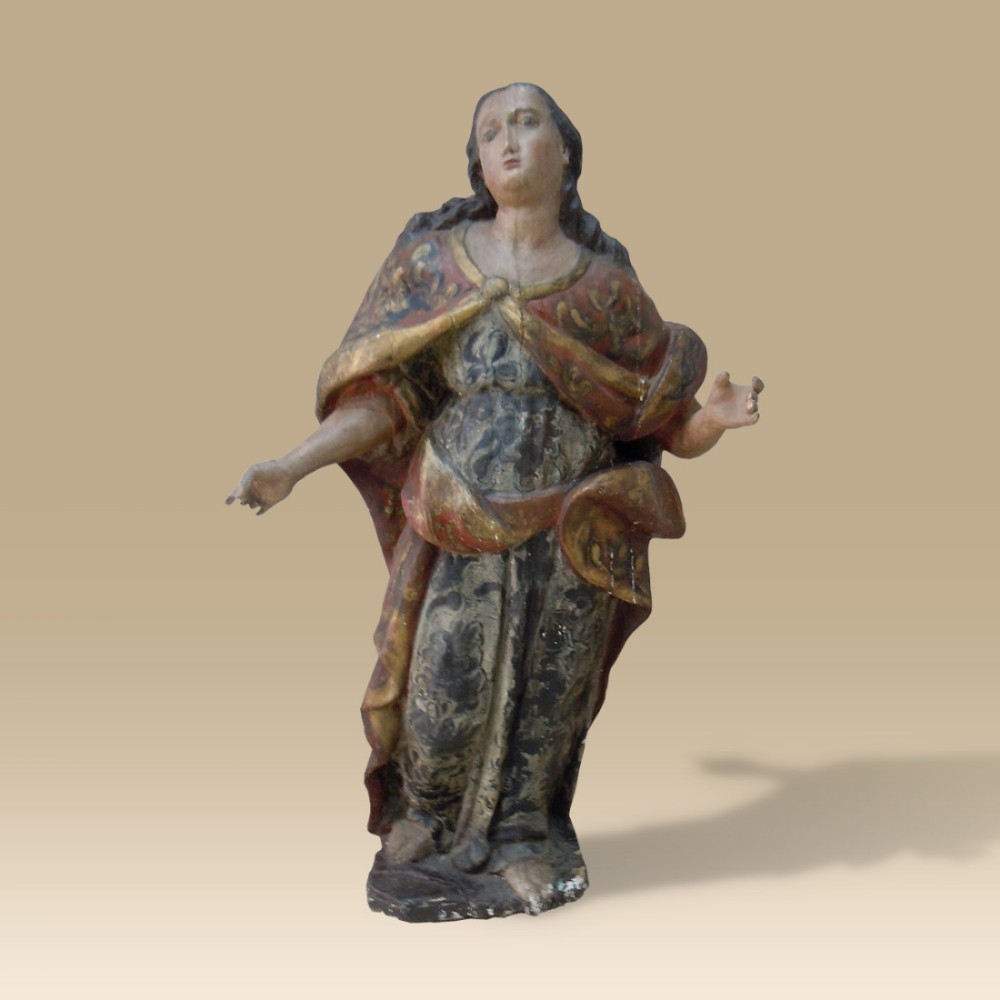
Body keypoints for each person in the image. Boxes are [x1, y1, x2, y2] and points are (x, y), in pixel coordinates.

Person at [227, 83, 763, 919]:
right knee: (442, 680)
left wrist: (713, 423)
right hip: (458, 514)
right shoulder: (433, 267)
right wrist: (292, 465)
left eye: (526, 122)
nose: (508, 140)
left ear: (566, 151)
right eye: (489, 131)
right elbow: (387, 402)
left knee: (552, 691)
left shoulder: (604, 289)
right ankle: (427, 816)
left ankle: (525, 833)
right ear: (476, 162)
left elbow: (657, 419)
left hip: (574, 528)